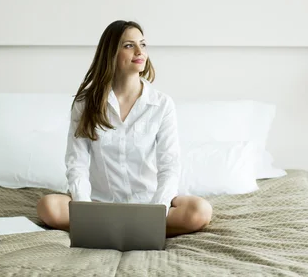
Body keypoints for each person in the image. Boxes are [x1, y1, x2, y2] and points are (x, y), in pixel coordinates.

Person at [37, 20, 212, 237]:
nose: (140, 51)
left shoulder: (162, 104)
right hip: (99, 205)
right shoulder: (85, 103)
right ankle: (126, 230)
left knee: (200, 211)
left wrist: (157, 211)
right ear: (111, 53)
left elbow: (170, 166)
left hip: (148, 204)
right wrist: (84, 208)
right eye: (129, 45)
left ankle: (120, 230)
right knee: (48, 206)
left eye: (143, 44)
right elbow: (77, 164)